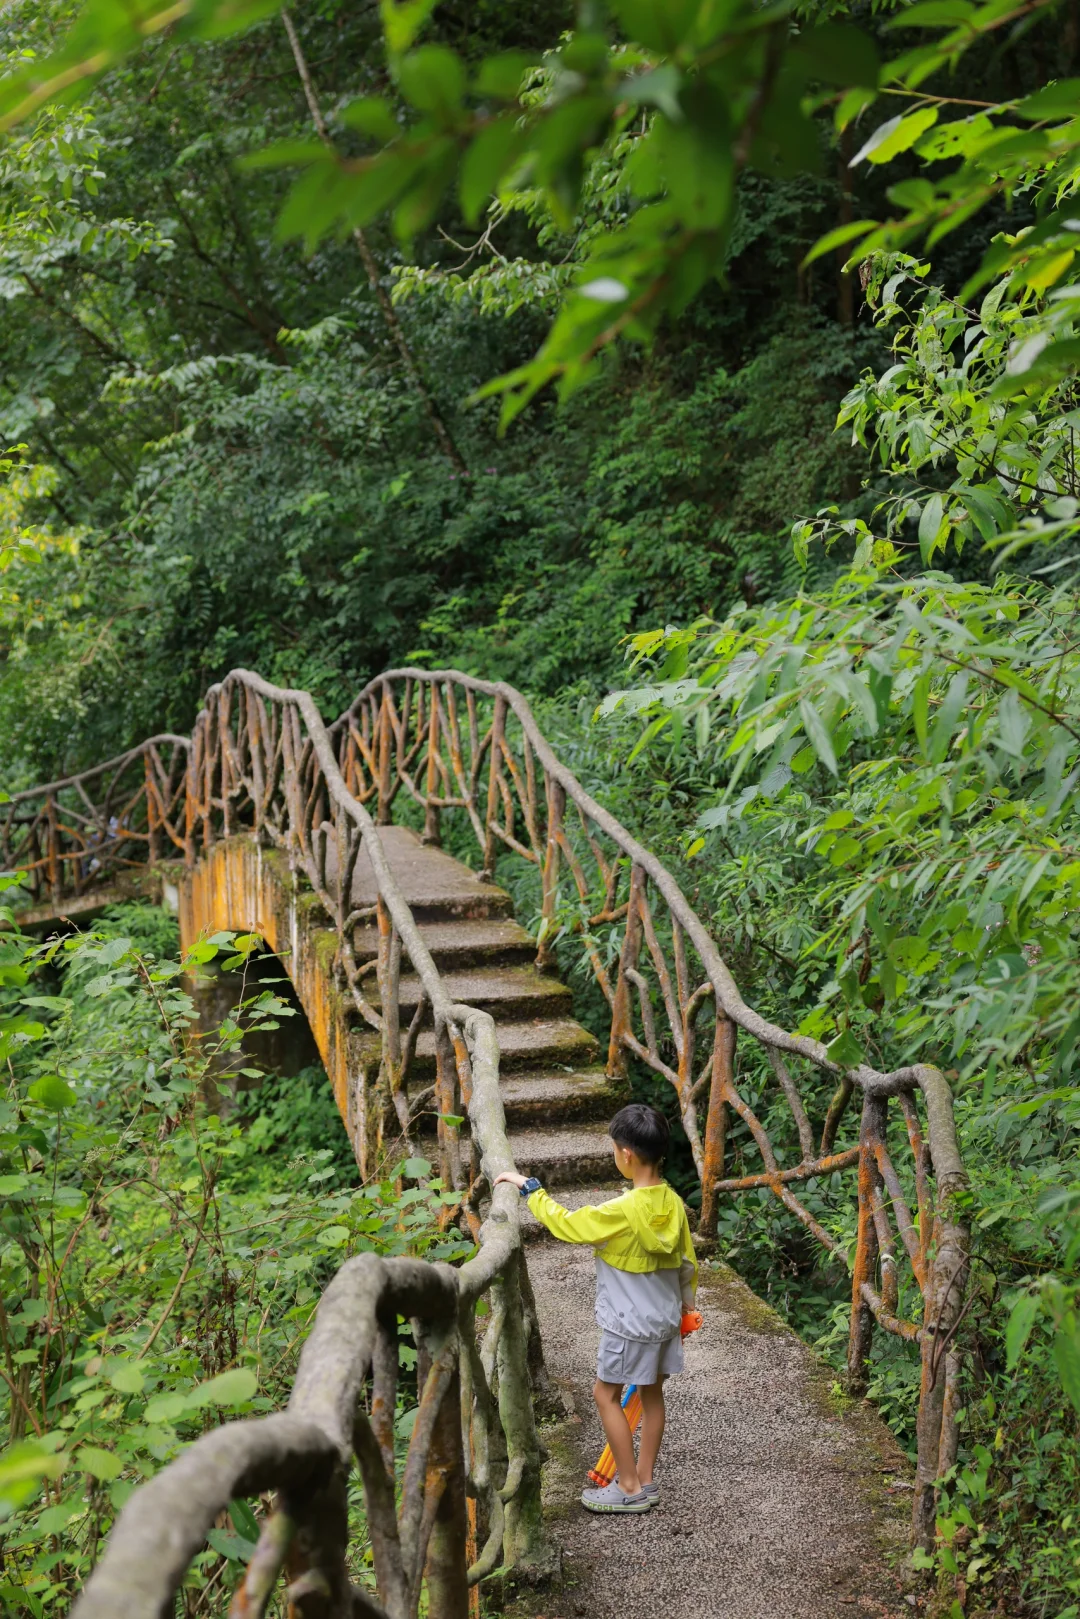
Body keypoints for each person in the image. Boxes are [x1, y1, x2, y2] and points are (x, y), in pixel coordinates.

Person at [494, 1101, 698, 1516]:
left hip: (628, 1325)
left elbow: (568, 1225)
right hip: (664, 1320)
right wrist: (687, 1310)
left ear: (625, 1154)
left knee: (605, 1394)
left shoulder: (621, 1211)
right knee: (652, 1395)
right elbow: (688, 1263)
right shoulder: (673, 1203)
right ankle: (645, 1479)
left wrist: (530, 1189)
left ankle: (626, 1487)